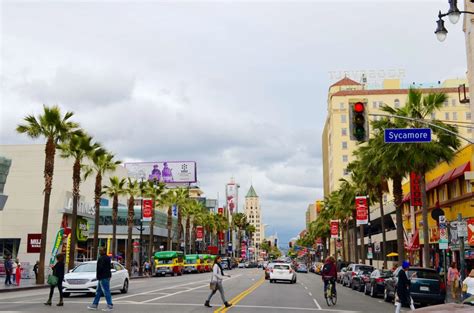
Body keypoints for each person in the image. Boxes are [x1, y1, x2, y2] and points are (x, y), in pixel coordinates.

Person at [88, 247, 113, 311]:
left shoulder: (101, 258)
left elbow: (100, 268)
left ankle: (109, 305)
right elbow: (109, 267)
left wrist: (98, 276)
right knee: (99, 291)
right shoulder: (107, 258)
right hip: (105, 276)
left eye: (101, 250)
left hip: (103, 277)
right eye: (99, 250)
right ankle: (95, 304)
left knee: (106, 291)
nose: (99, 252)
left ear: (104, 251)